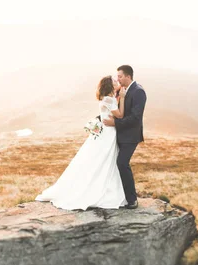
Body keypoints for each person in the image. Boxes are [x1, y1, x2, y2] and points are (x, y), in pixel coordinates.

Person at [35, 75, 128, 210]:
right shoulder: (109, 99)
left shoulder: (108, 98)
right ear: (109, 85)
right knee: (106, 160)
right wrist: (123, 98)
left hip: (107, 132)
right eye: (114, 81)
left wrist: (119, 96)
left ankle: (104, 187)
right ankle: (104, 190)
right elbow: (120, 115)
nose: (117, 82)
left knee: (104, 160)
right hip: (108, 133)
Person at [103, 65, 147, 209]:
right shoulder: (121, 90)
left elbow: (135, 118)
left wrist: (115, 123)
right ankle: (120, 197)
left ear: (128, 76)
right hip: (119, 134)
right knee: (115, 165)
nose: (118, 79)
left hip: (131, 135)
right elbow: (112, 109)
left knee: (122, 163)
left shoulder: (138, 92)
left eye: (120, 76)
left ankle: (132, 199)